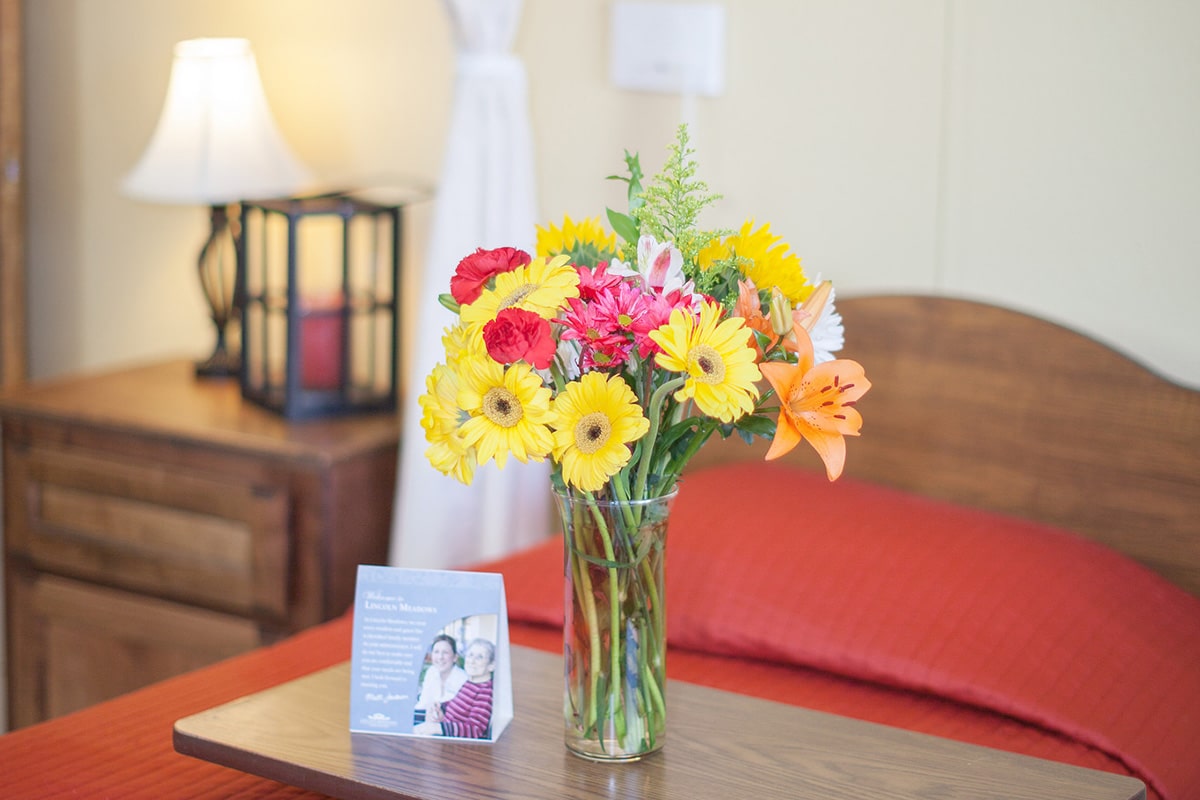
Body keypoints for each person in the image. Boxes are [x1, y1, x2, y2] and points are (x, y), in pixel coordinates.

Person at [413, 638, 495, 739]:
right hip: (444, 731)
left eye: (479, 657)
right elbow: (458, 705)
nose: (472, 661)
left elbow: (475, 730)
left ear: (491, 665)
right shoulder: (471, 683)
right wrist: (440, 707)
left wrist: (437, 728)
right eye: (470, 655)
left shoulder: (486, 692)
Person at [412, 634, 467, 724]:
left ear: (455, 657)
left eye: (445, 652)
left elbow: (460, 714)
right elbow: (423, 704)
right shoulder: (432, 672)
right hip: (429, 722)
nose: (440, 657)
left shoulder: (463, 679)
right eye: (436, 652)